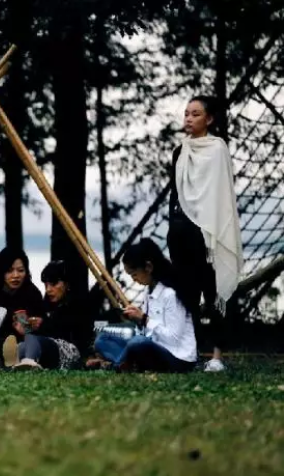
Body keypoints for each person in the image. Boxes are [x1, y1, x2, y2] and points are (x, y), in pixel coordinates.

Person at [167, 95, 243, 372]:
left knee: (213, 294)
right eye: (186, 113)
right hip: (182, 230)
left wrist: (210, 228)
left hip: (208, 232)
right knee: (186, 295)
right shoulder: (180, 151)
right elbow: (176, 195)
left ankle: (217, 356)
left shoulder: (217, 149)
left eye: (195, 114)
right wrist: (173, 225)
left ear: (209, 119)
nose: (189, 118)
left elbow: (220, 193)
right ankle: (190, 353)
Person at [93, 239, 198, 373]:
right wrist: (136, 319)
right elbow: (147, 332)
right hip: (153, 349)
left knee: (138, 343)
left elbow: (173, 338)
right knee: (102, 339)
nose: (133, 279)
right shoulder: (148, 292)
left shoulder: (171, 294)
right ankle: (126, 364)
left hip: (177, 358)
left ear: (148, 267)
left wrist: (144, 319)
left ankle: (117, 366)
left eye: (134, 274)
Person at [13, 261, 94, 370]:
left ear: (67, 283)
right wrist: (27, 329)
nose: (48, 290)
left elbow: (72, 336)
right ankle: (0, 363)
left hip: (72, 354)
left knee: (31, 338)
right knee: (22, 345)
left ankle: (29, 361)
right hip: (52, 353)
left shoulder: (79, 305)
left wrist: (42, 325)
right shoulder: (48, 305)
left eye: (53, 284)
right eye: (46, 285)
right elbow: (43, 336)